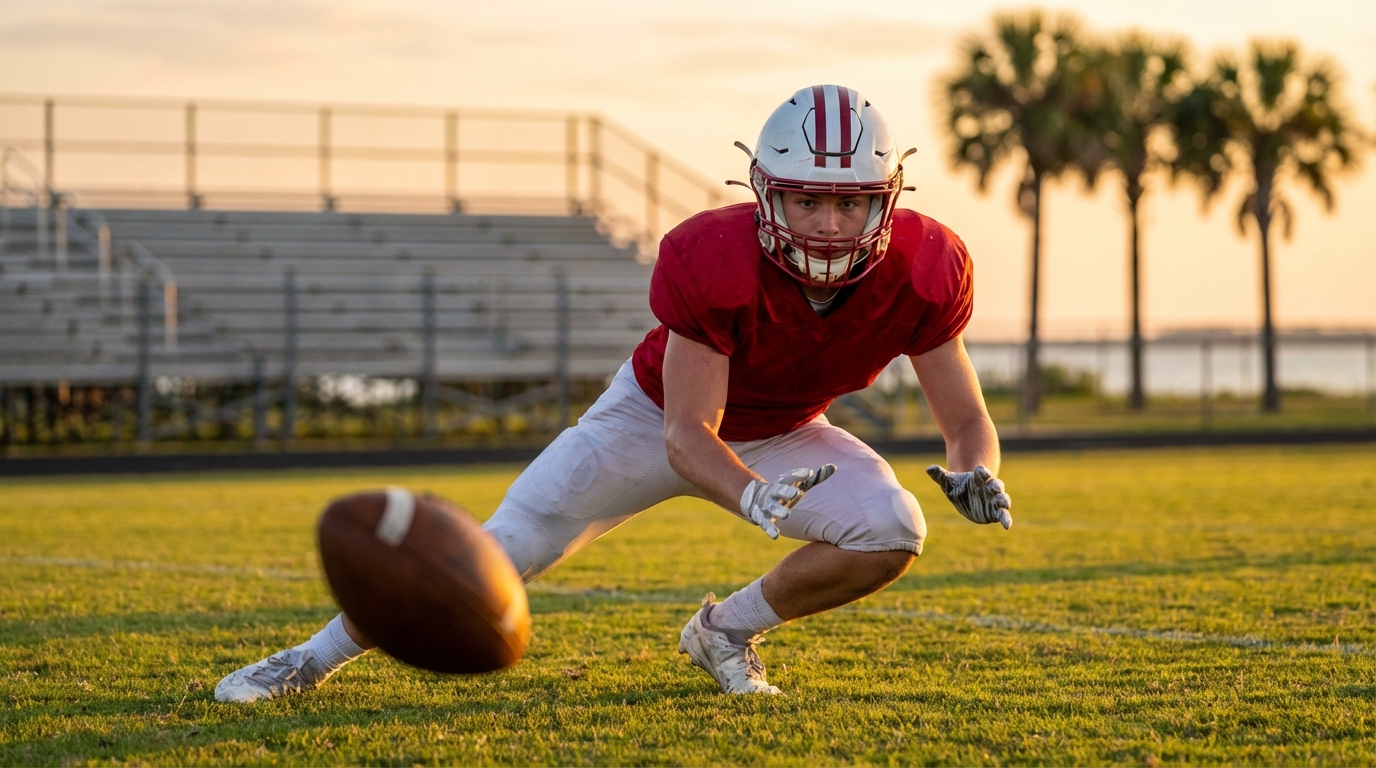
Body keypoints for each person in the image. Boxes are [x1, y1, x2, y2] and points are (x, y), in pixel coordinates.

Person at [215, 84, 1013, 701]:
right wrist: (749, 494)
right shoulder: (713, 256)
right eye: (807, 200)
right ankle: (307, 661)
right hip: (651, 418)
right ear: (767, 193)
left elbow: (966, 417)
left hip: (788, 430)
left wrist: (976, 469)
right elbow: (688, 432)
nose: (829, 226)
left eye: (849, 203)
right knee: (496, 553)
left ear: (886, 199)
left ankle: (722, 633)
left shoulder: (927, 266)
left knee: (891, 527)